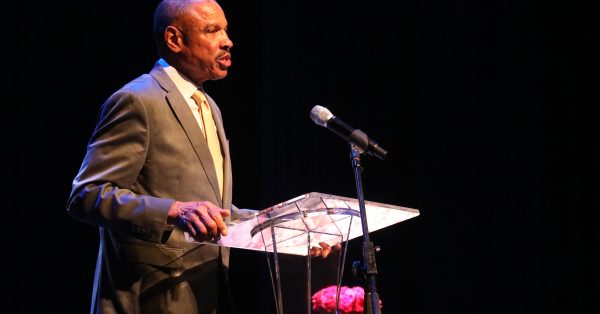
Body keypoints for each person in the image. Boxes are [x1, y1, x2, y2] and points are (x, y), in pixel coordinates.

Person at [67, 0, 338, 313]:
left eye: (225, 30)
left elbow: (215, 213)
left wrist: (295, 231)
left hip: (207, 294)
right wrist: (175, 210)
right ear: (174, 39)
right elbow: (87, 195)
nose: (227, 41)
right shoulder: (137, 100)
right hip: (149, 298)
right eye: (213, 31)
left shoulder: (209, 106)